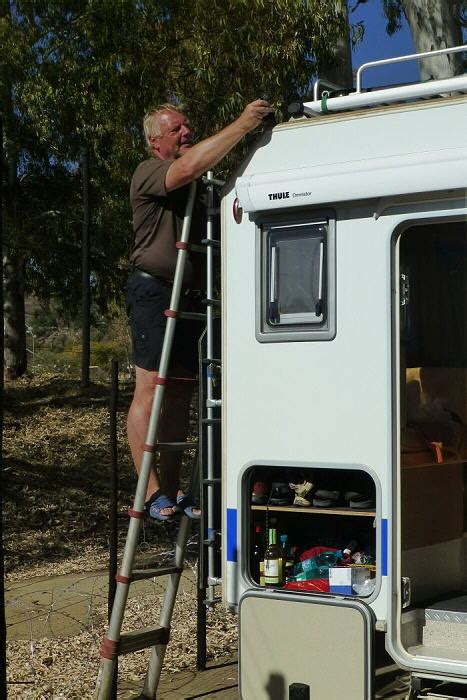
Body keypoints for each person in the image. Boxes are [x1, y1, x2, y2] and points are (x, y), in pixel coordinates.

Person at [126, 98, 273, 521]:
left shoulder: (201, 187)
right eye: (176, 129)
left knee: (180, 396)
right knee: (152, 388)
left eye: (189, 126)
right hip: (155, 293)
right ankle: (149, 491)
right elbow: (187, 169)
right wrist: (244, 123)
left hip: (191, 298)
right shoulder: (149, 172)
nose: (186, 132)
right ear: (156, 142)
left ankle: (170, 492)